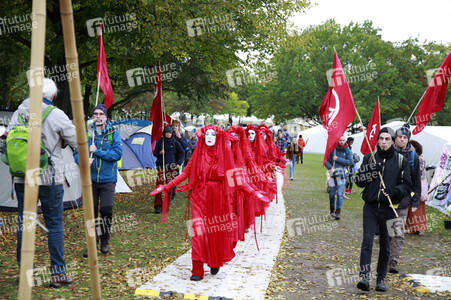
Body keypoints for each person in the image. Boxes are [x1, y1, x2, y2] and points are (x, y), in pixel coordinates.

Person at [150, 125, 260, 281]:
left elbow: (238, 179)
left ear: (218, 137)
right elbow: (185, 174)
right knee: (198, 233)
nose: (209, 136)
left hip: (218, 198)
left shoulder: (225, 155)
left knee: (215, 232)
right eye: (206, 134)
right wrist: (167, 186)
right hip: (199, 198)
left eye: (213, 134)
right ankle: (197, 269)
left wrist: (253, 191)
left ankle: (215, 260)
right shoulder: (198, 155)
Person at [9, 78, 77, 287]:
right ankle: (57, 274)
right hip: (49, 176)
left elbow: (8, 139)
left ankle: (25, 272)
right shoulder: (56, 115)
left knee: (25, 221)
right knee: (55, 224)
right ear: (52, 96)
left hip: (23, 175)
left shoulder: (19, 112)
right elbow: (77, 141)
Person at [355, 127, 411, 292]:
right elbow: (358, 180)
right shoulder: (369, 158)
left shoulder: (401, 161)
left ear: (393, 141)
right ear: (377, 140)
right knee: (367, 242)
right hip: (370, 207)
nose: (384, 142)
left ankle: (380, 279)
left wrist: (393, 191)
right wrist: (372, 171)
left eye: (387, 139)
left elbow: (407, 186)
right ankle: (364, 278)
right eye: (381, 139)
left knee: (386, 245)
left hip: (389, 208)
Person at [74, 103, 123, 256]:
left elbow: (117, 154)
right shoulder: (86, 133)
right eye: (95, 114)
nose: (98, 117)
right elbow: (76, 152)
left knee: (106, 210)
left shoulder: (113, 133)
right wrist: (82, 160)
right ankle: (92, 243)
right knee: (91, 212)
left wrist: (98, 152)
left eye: (101, 114)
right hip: (91, 180)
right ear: (92, 117)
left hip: (108, 179)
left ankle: (105, 240)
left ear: (106, 117)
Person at [388, 124, 421, 273]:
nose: (402, 140)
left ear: (408, 140)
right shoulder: (387, 153)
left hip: (403, 201)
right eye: (399, 137)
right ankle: (385, 257)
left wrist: (414, 200)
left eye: (405, 137)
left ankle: (393, 261)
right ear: (395, 139)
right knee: (385, 231)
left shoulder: (414, 157)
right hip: (386, 200)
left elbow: (416, 183)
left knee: (398, 232)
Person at [152, 126, 185, 213]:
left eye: (170, 133)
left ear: (172, 134)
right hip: (161, 167)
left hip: (171, 168)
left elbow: (182, 152)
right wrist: (160, 152)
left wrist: (179, 163)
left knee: (169, 188)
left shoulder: (175, 142)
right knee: (159, 186)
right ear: (164, 133)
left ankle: (166, 205)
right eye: (167, 132)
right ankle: (158, 205)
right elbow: (155, 153)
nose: (168, 134)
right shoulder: (160, 142)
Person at [325, 136, 353, 220]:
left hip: (342, 176)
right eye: (340, 140)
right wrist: (330, 168)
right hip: (333, 176)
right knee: (332, 194)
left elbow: (350, 162)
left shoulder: (348, 150)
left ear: (345, 141)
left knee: (340, 194)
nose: (342, 142)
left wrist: (338, 159)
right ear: (338, 140)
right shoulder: (333, 150)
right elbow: (326, 160)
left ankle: (338, 212)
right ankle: (332, 210)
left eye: (343, 140)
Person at [405, 140, 428, 235]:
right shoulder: (416, 157)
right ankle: (412, 227)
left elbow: (419, 172)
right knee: (412, 206)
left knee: (416, 206)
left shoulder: (419, 158)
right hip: (417, 184)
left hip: (418, 185)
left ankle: (416, 227)